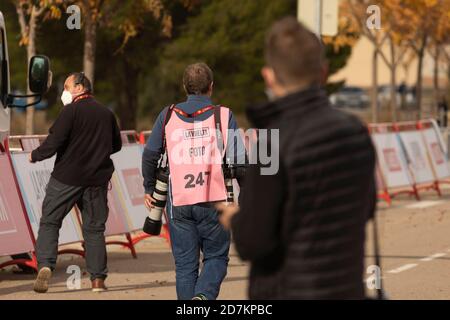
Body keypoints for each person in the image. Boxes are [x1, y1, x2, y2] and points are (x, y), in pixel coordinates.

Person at [218, 17, 377, 299]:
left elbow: (253, 242)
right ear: (324, 72)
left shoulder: (270, 140)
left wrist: (236, 219)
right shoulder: (355, 131)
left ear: (269, 76)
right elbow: (366, 209)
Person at [142, 63, 246, 300]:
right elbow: (241, 164)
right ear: (211, 87)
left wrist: (149, 187)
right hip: (215, 201)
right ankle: (203, 297)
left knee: (186, 266)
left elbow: (150, 155)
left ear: (185, 87)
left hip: (179, 201)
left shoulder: (168, 114)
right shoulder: (223, 115)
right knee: (216, 257)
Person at [30, 72, 122, 293]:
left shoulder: (69, 112)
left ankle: (45, 265)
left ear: (80, 87)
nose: (65, 92)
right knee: (94, 229)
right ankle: (98, 280)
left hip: (66, 178)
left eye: (67, 87)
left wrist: (35, 155)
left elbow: (54, 141)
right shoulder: (106, 113)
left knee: (50, 221)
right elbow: (116, 145)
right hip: (96, 180)